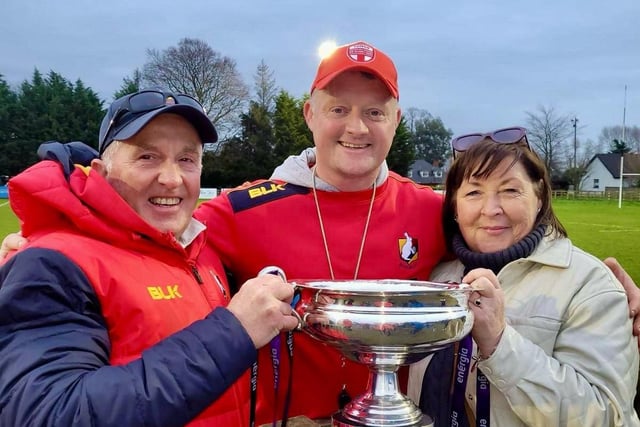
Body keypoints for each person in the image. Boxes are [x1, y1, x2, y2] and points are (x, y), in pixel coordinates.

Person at [1, 41, 639, 425]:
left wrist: (604, 283)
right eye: (338, 108)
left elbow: (503, 238)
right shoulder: (245, 209)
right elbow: (151, 238)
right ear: (310, 114)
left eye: (373, 111)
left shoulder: (430, 208)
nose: (355, 127)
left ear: (396, 120)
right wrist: (28, 248)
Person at [0, 88, 298, 426]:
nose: (171, 179)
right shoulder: (51, 263)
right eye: (147, 157)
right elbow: (51, 413)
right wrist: (235, 331)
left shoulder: (199, 249)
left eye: (186, 159)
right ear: (101, 172)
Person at [407, 129, 640, 426]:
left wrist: (500, 343)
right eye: (474, 192)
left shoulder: (591, 286)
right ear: (453, 206)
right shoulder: (434, 278)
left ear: (540, 196)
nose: (491, 210)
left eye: (510, 190)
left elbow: (606, 416)